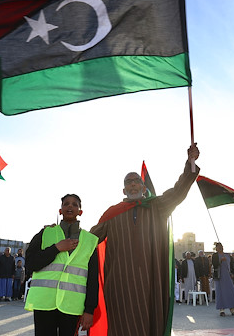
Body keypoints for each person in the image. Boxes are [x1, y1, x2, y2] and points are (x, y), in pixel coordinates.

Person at [89, 144, 200, 336]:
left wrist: (190, 163)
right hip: (119, 282)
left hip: (149, 280)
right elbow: (88, 239)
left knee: (148, 321)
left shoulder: (157, 207)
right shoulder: (112, 214)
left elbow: (178, 191)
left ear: (143, 187)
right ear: (124, 190)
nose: (133, 184)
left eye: (136, 181)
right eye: (128, 182)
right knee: (121, 325)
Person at [25, 194, 98, 336]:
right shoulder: (45, 233)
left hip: (71, 305)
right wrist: (56, 248)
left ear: (80, 212)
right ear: (60, 210)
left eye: (74, 204)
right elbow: (30, 264)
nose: (70, 206)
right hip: (44, 303)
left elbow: (93, 279)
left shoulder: (90, 240)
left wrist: (89, 310)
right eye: (66, 204)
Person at [212, 242, 234, 316]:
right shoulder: (215, 255)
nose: (220, 248)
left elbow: (231, 265)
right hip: (219, 276)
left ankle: (232, 310)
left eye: (221, 246)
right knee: (220, 293)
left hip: (228, 276)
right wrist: (220, 261)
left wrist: (232, 272)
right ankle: (221, 310)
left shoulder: (228, 255)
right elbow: (214, 264)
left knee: (230, 292)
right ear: (216, 248)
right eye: (219, 247)